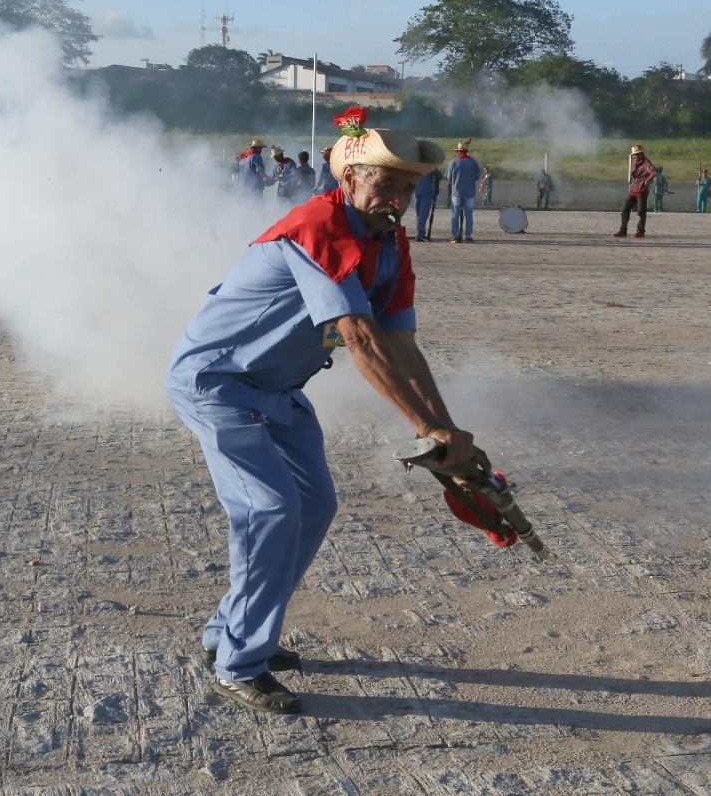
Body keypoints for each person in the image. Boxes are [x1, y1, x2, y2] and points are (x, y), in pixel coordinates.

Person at [166, 112, 477, 715]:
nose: (397, 198)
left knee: (315, 505)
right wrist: (425, 427)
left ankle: (230, 631)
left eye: (407, 187)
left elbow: (403, 345)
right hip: (220, 383)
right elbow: (358, 337)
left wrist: (447, 429)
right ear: (351, 178)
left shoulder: (390, 245)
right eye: (384, 183)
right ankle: (239, 661)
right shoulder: (319, 226)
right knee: (271, 508)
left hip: (279, 389)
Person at [614, 144, 659, 238]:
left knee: (641, 212)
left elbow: (654, 172)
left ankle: (640, 230)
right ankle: (623, 230)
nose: (635, 157)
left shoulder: (646, 163)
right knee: (625, 210)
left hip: (642, 191)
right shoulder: (634, 163)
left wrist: (647, 181)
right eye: (634, 155)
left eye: (637, 154)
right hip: (633, 190)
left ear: (641, 154)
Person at [446, 138, 482, 243]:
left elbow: (449, 178)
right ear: (467, 151)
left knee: (455, 214)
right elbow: (477, 177)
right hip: (470, 192)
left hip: (456, 193)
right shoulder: (473, 163)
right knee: (469, 215)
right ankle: (469, 236)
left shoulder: (453, 163)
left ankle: (455, 236)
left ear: (458, 151)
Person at [412, 167, 441, 242]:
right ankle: (420, 234)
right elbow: (438, 175)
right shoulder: (429, 164)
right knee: (423, 214)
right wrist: (437, 188)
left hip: (416, 189)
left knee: (418, 213)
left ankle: (420, 232)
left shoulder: (415, 164)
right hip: (426, 190)